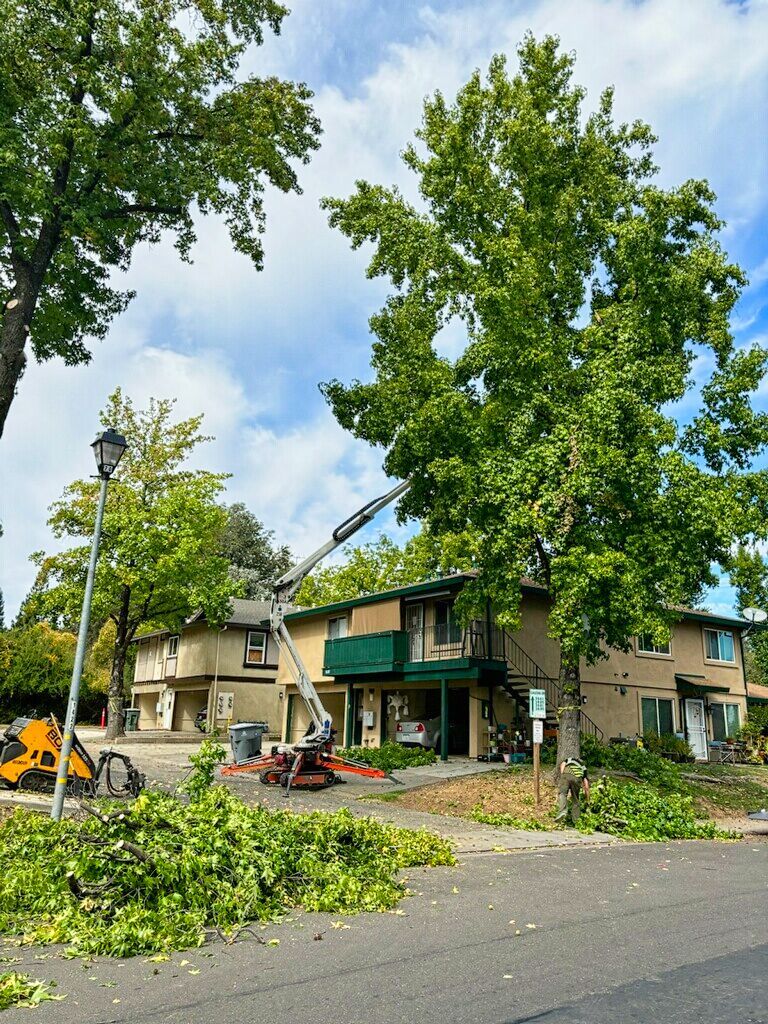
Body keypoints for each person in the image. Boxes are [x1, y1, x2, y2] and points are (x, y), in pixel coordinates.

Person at [555, 756, 590, 824]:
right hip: (577, 778)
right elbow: (586, 786)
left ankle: (562, 812)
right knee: (575, 799)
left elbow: (562, 764)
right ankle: (576, 820)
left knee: (562, 794)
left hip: (566, 774)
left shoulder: (570, 759)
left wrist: (563, 775)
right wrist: (587, 799)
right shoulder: (583, 767)